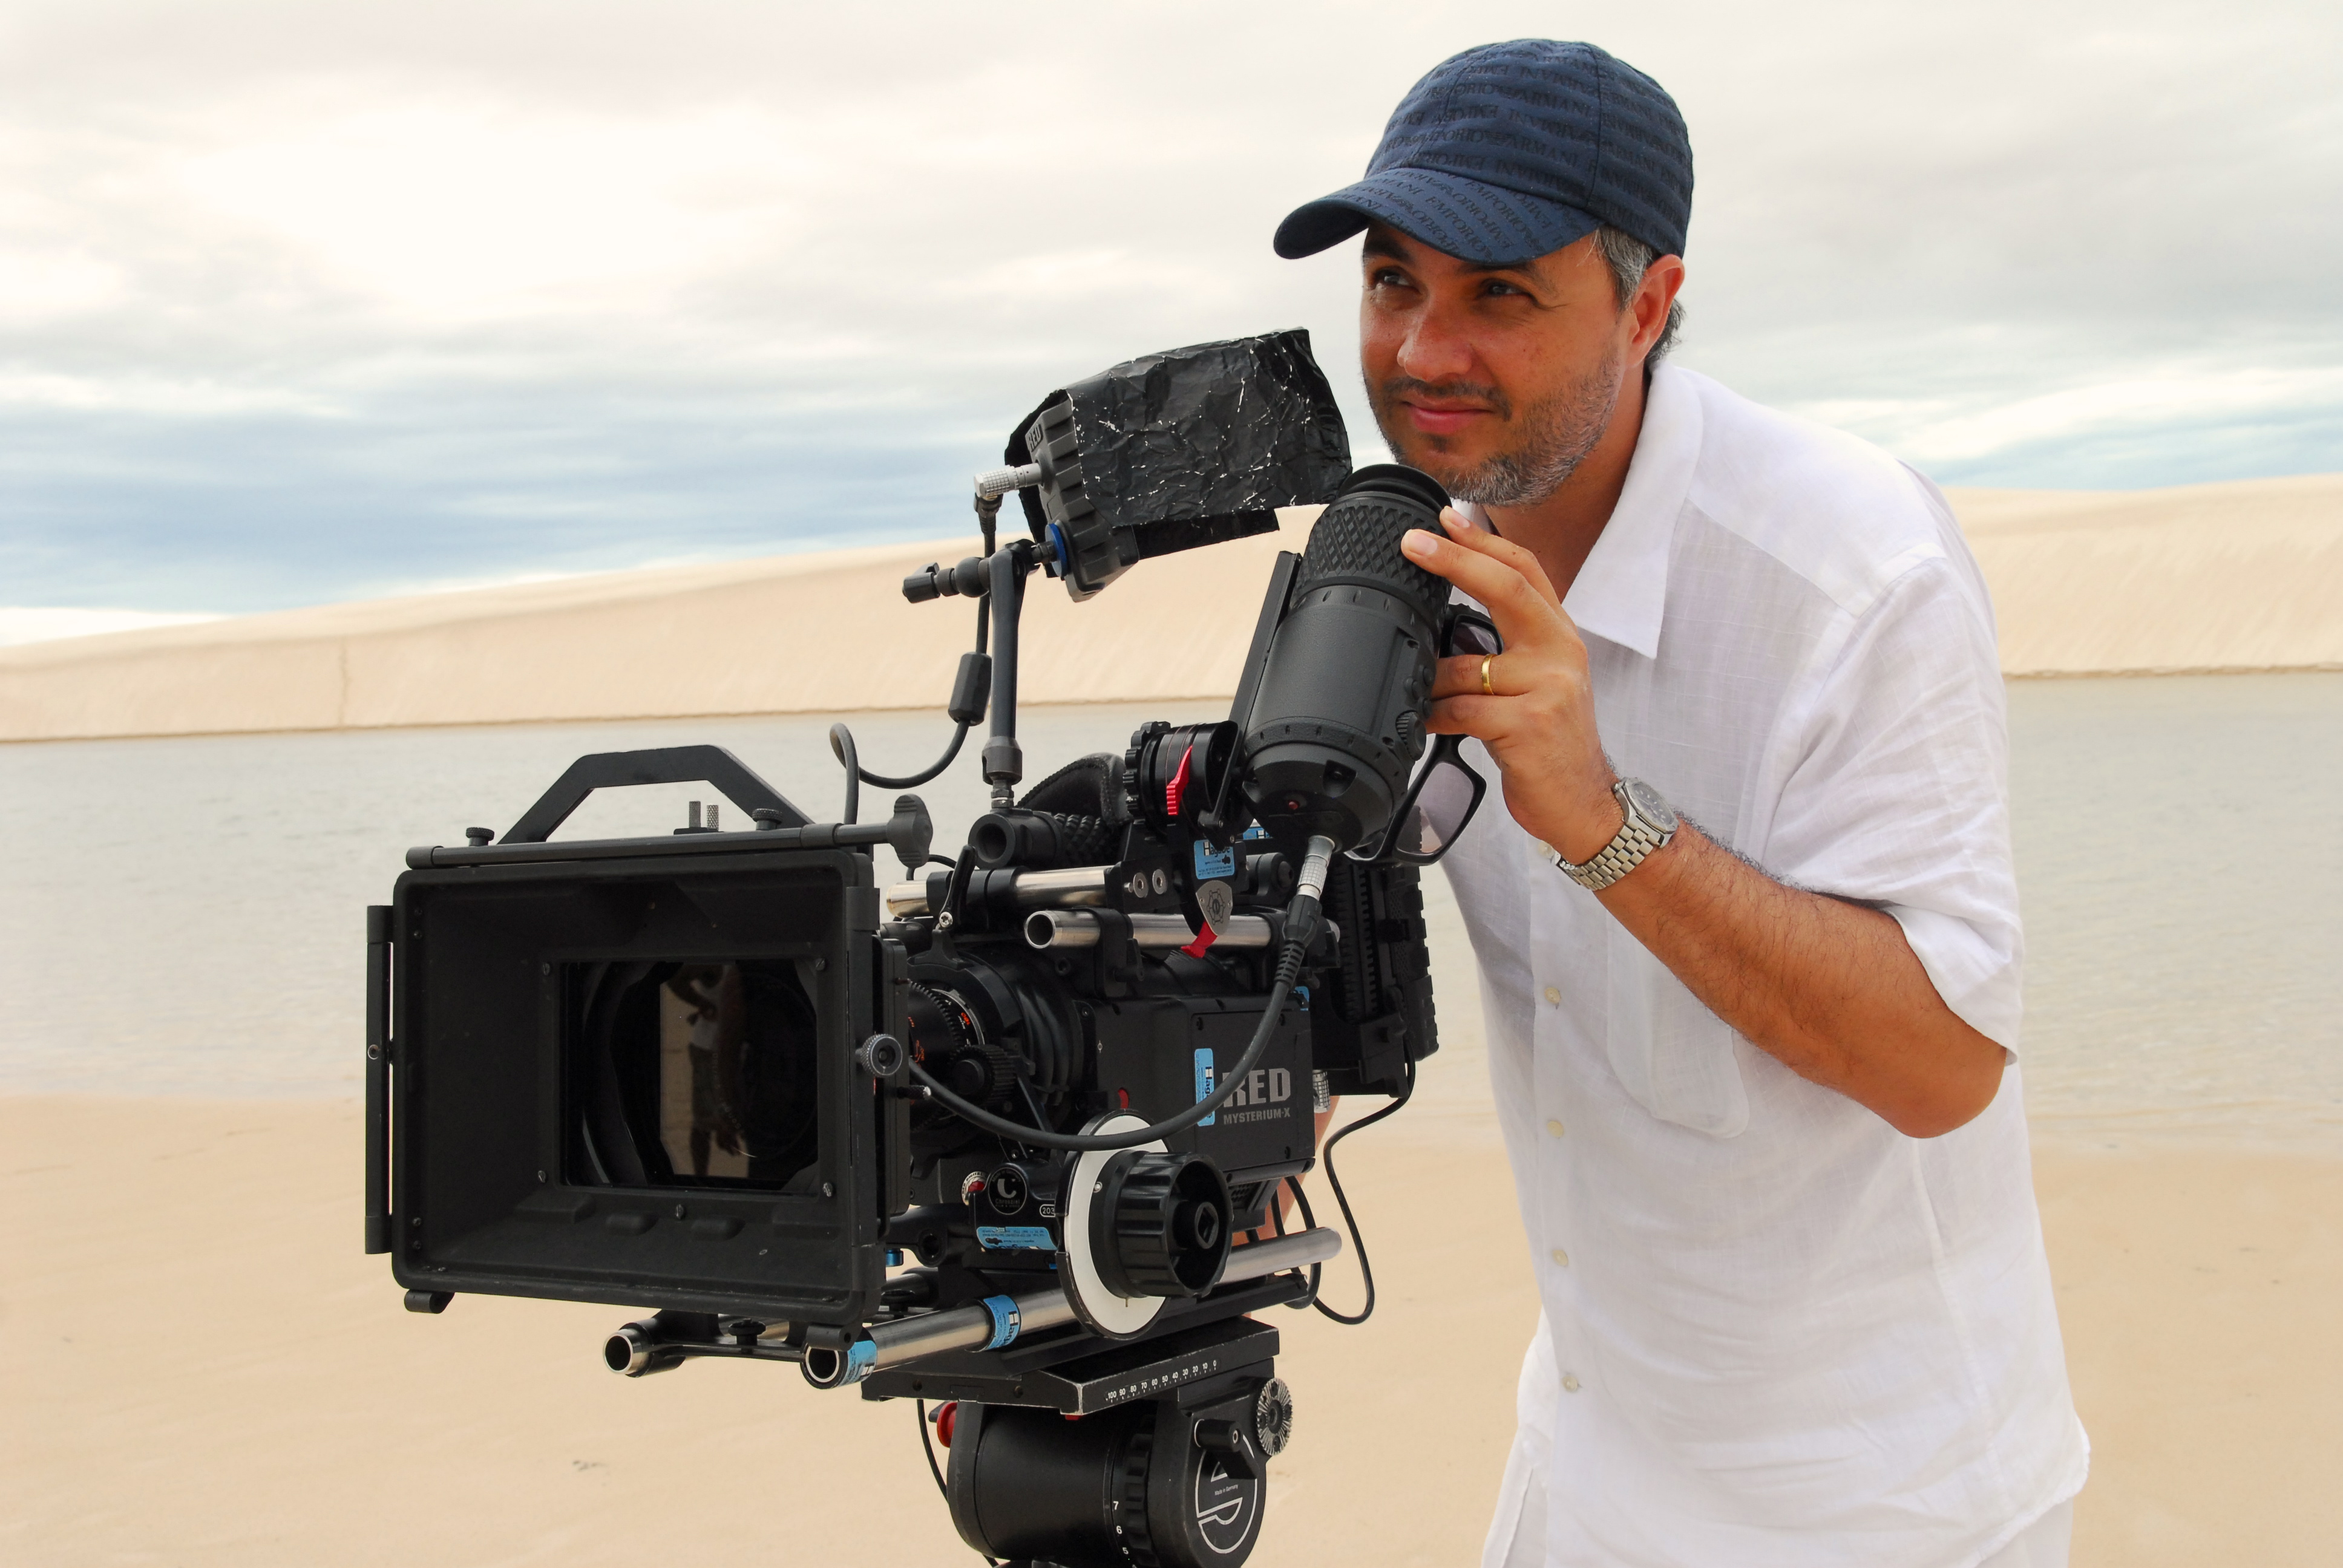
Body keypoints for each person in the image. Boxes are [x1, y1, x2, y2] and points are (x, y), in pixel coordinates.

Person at [1272, 40, 2087, 1568]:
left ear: (1647, 306)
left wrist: (1597, 819)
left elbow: (1941, 1065)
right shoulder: (1404, 562)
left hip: (1881, 1502)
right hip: (1586, 1457)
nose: (1424, 349)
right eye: (1393, 283)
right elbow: (1340, 922)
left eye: (1499, 293)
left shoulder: (1852, 567)